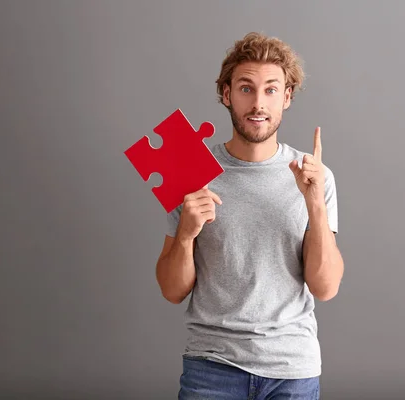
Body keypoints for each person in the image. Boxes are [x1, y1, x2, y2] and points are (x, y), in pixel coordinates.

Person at [155, 32, 344, 399]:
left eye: (271, 90)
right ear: (226, 94)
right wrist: (185, 234)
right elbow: (171, 290)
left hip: (291, 372)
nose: (258, 103)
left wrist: (315, 205)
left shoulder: (315, 176)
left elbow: (325, 287)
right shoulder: (191, 171)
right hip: (211, 369)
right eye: (246, 88)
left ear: (286, 97)